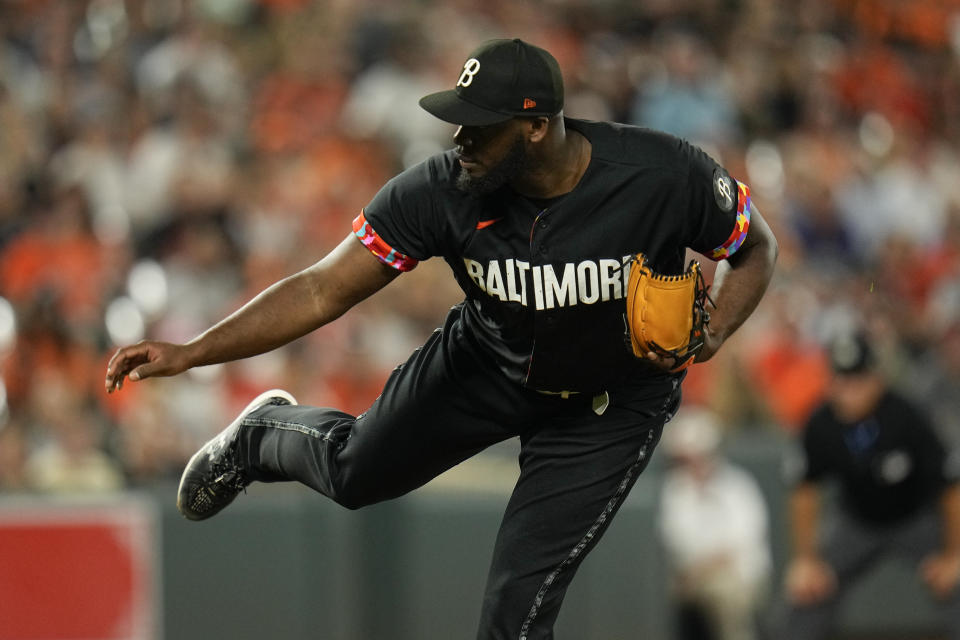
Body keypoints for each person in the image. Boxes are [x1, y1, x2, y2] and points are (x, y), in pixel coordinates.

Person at [104, 39, 778, 639]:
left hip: (609, 405)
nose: (461, 138)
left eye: (481, 128)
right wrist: (192, 350)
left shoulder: (663, 175)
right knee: (351, 473)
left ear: (537, 126)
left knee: (518, 609)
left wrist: (714, 329)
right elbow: (321, 288)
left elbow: (754, 246)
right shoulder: (443, 189)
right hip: (486, 364)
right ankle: (259, 437)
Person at [780, 331, 960, 640]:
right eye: (841, 381)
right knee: (807, 590)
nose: (849, 391)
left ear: (877, 379)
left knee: (956, 581)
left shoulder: (907, 415)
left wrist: (954, 554)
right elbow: (805, 490)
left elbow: (950, 487)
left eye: (858, 381)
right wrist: (806, 559)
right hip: (857, 521)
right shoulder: (821, 422)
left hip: (916, 517)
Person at [657, 407, 772, 640]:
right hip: (693, 579)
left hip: (743, 575)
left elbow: (744, 541)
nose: (693, 463)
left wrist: (710, 563)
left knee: (729, 593)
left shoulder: (738, 484)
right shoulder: (675, 490)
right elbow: (678, 542)